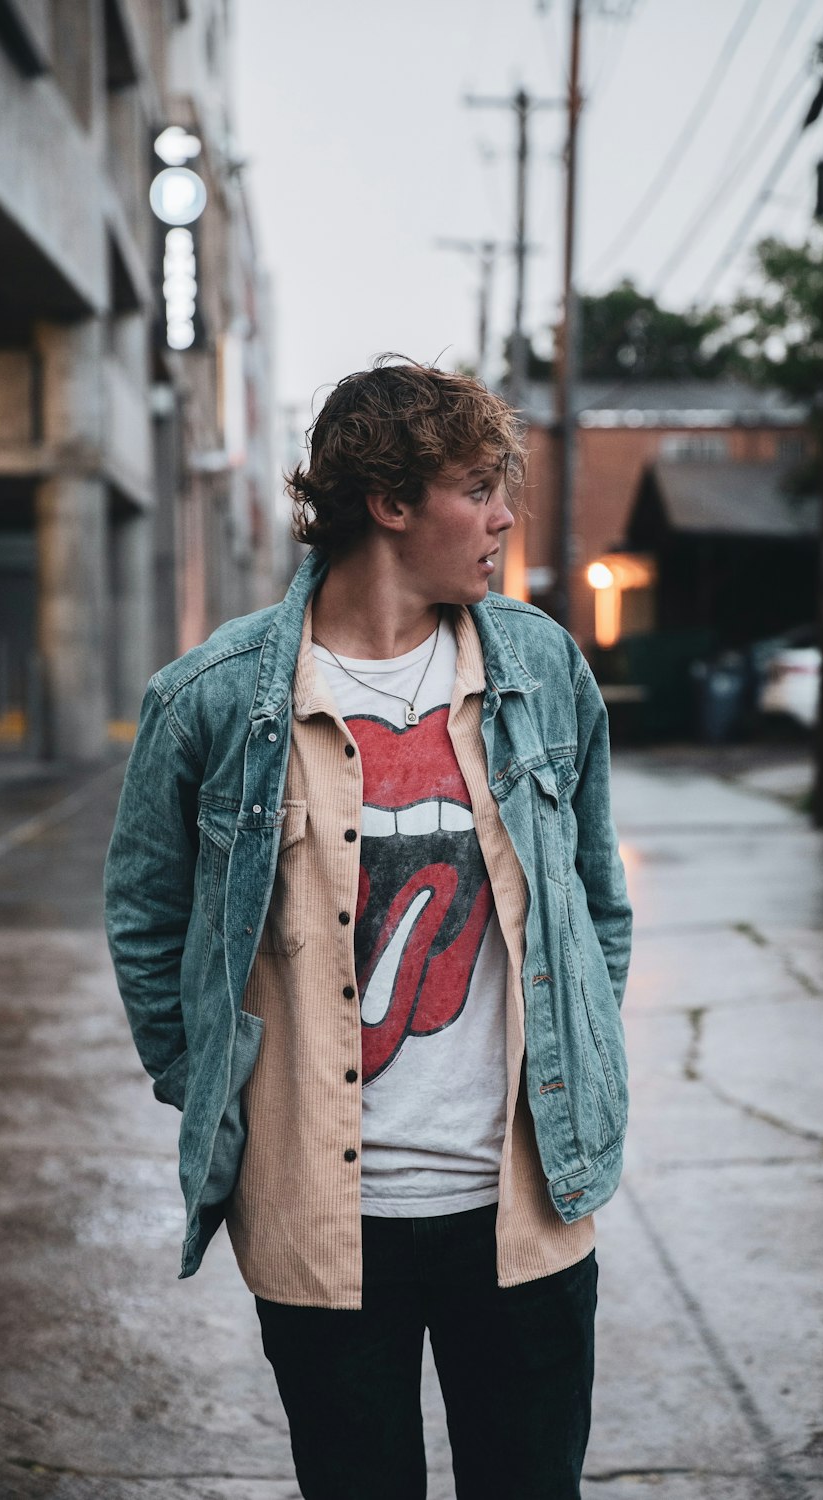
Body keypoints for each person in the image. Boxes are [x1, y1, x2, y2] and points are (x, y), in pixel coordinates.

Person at [104, 358, 631, 1500]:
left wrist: (579, 1055)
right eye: (479, 487)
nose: (503, 516)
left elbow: (593, 899)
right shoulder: (212, 696)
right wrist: (215, 1083)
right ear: (389, 503)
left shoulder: (537, 666)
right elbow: (146, 921)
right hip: (321, 1224)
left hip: (522, 1210)